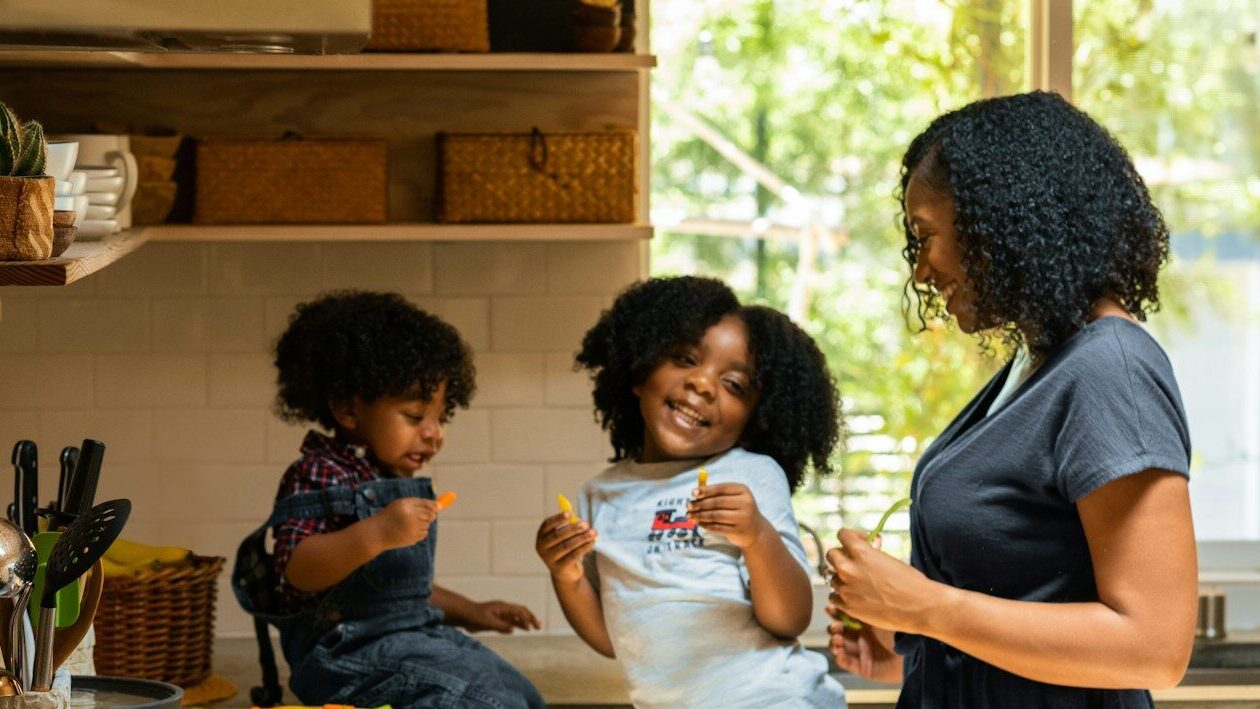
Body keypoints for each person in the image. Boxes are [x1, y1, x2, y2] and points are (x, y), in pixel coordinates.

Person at [825, 91, 1197, 707]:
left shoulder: (1112, 369)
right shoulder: (1037, 362)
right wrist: (910, 639)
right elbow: (1027, 608)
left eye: (927, 236)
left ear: (998, 221)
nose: (920, 271)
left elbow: (1153, 646)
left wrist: (928, 608)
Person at [535, 276, 847, 708]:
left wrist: (757, 536)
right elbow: (612, 640)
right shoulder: (599, 496)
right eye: (685, 358)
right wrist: (565, 576)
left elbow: (790, 619)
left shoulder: (750, 476)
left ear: (756, 418)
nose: (703, 385)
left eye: (734, 385)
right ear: (639, 369)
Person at [231, 290, 544, 709]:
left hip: (410, 639)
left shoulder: (384, 475)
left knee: (521, 696)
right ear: (347, 408)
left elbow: (395, 588)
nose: (434, 432)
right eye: (416, 417)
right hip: (344, 654)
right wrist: (376, 532)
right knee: (480, 700)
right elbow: (297, 570)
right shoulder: (321, 473)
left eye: (441, 417)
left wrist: (472, 611)